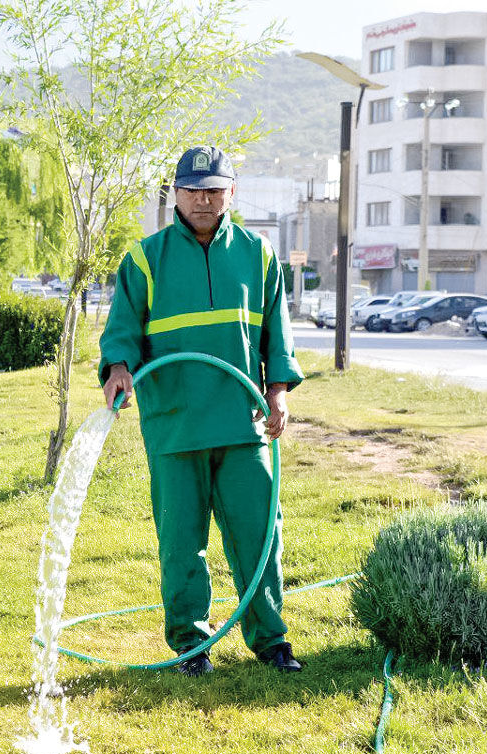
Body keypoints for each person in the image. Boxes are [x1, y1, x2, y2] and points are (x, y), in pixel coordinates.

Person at [98, 145, 305, 677]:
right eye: (192, 190)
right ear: (176, 194)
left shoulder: (259, 256)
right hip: (175, 423)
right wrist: (119, 368)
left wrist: (278, 391)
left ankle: (272, 641)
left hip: (243, 423)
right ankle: (191, 645)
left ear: (231, 192)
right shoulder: (145, 258)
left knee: (259, 534)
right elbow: (121, 331)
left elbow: (275, 336)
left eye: (214, 189)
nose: (203, 199)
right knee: (181, 541)